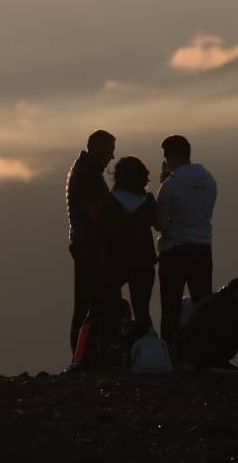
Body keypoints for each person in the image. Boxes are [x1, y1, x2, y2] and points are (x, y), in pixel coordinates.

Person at [92, 156, 158, 359]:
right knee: (142, 312)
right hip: (143, 262)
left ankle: (107, 355)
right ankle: (145, 356)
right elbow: (157, 222)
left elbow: (97, 229)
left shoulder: (108, 201)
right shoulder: (147, 201)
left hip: (114, 261)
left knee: (109, 312)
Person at [155, 135, 218, 344]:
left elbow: (160, 223)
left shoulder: (171, 186)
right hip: (202, 248)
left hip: (175, 250)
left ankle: (170, 355)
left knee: (170, 307)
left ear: (172, 156)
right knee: (203, 306)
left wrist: (163, 183)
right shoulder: (209, 180)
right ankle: (204, 352)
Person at [66, 130, 116, 353]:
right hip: (90, 247)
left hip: (83, 244)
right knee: (89, 304)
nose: (112, 157)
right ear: (98, 150)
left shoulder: (83, 170)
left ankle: (83, 356)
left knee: (86, 303)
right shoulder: (89, 176)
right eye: (109, 152)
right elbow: (98, 216)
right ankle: (83, 357)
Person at [171, 278, 238, 370]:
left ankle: (215, 361)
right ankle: (215, 362)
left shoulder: (217, 301)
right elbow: (225, 336)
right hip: (198, 354)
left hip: (193, 351)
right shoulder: (220, 306)